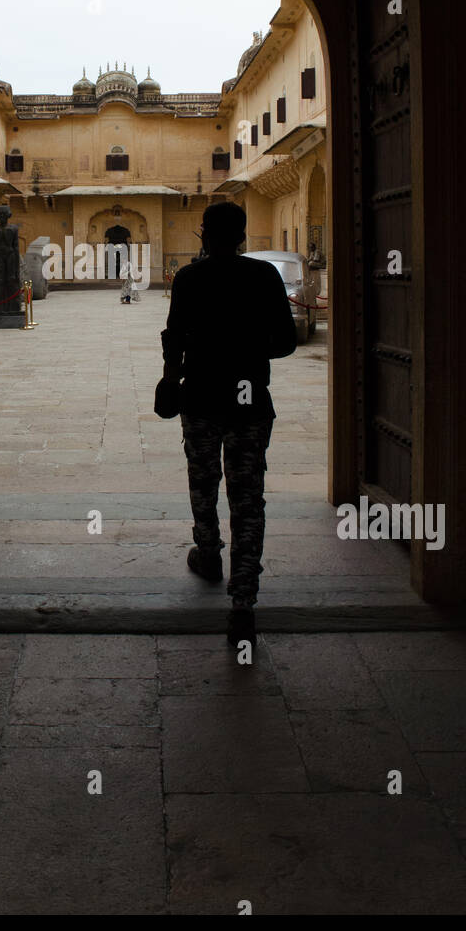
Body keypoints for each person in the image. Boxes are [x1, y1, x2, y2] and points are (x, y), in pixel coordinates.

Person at [158, 202, 296, 650]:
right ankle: (243, 599)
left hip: (201, 396)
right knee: (247, 493)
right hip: (248, 397)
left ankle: (209, 553)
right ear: (243, 234)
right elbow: (285, 343)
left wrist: (171, 374)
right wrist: (248, 350)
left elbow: (174, 337)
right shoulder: (262, 277)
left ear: (203, 234)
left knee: (203, 480)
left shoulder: (190, 278)